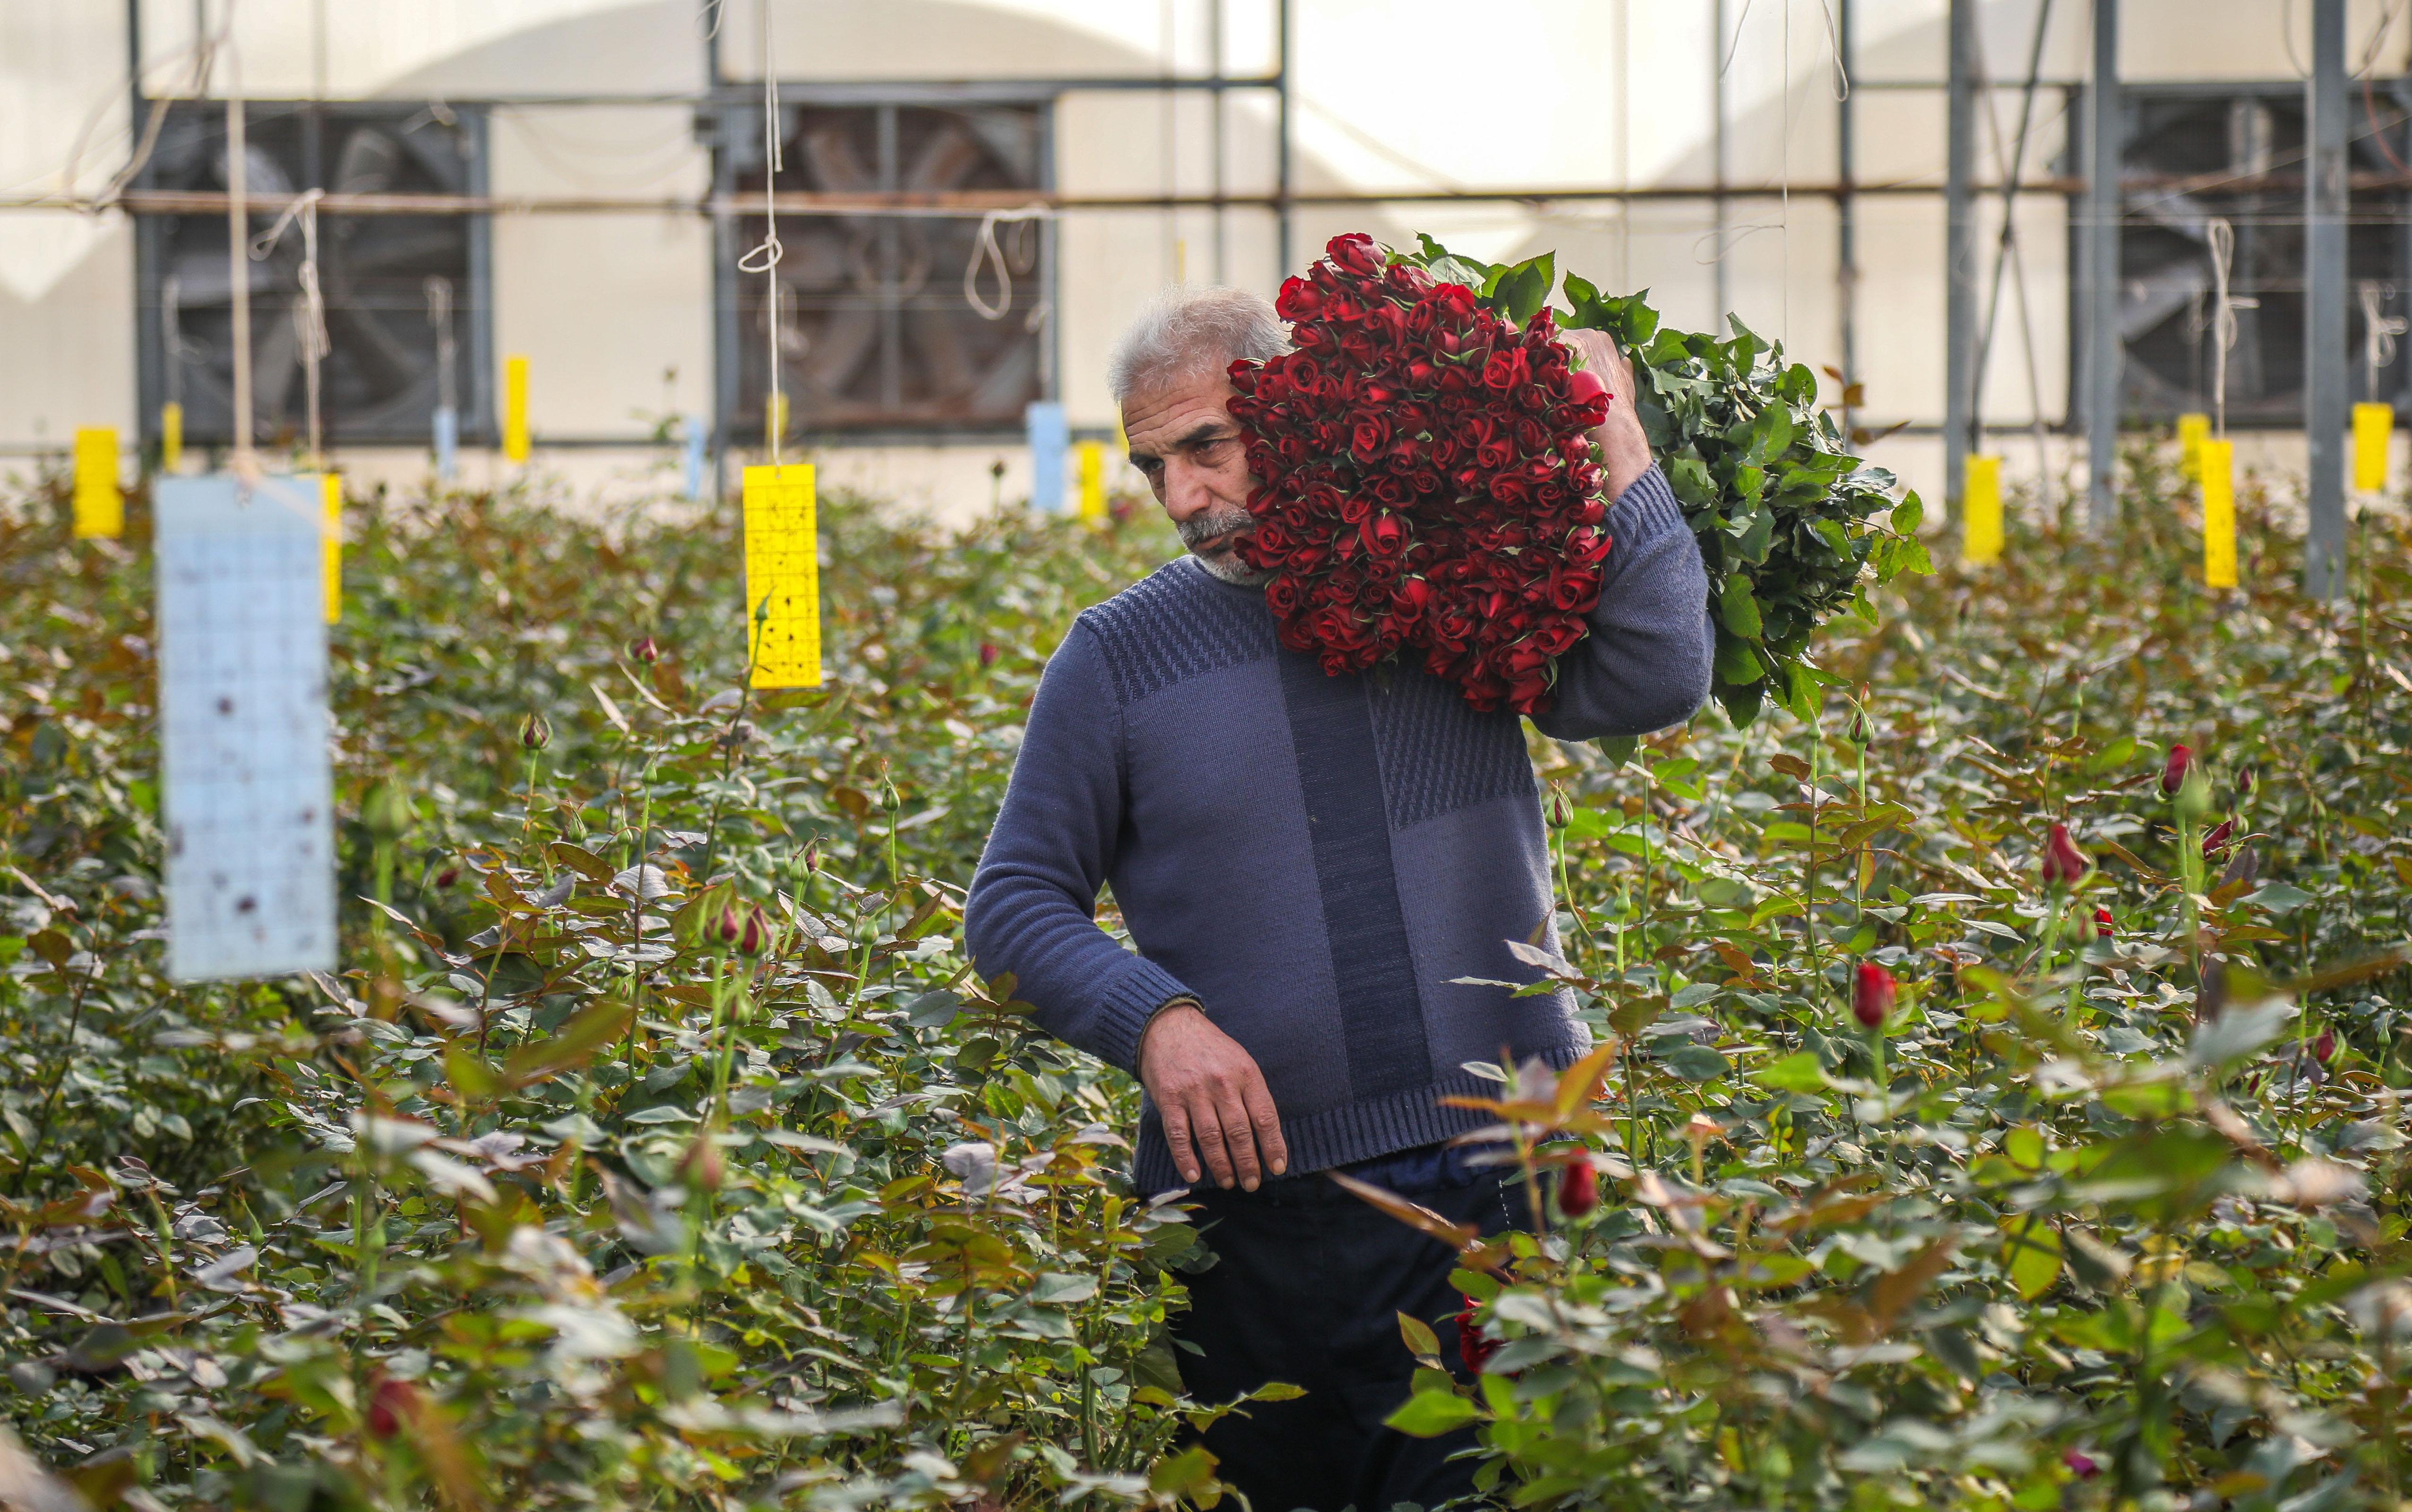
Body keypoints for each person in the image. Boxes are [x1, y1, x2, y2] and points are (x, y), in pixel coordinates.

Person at [964, 285, 1710, 1510]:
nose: (1184, 497)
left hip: (1495, 1173)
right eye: (1155, 466)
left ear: (1306, 414)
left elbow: (1654, 674)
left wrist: (1612, 433)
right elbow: (1016, 904)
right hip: (1257, 1218)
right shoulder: (1118, 657)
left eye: (1208, 447)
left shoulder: (1443, 588)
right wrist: (1159, 1023)